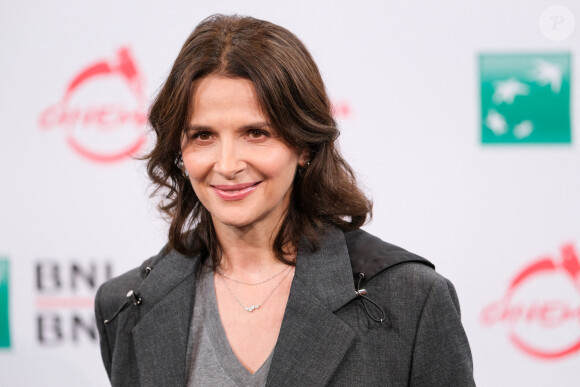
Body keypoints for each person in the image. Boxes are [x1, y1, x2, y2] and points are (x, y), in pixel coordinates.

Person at [95, 14, 475, 387]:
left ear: (305, 146)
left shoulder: (412, 300)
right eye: (203, 136)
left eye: (256, 133)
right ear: (179, 149)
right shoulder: (125, 307)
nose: (227, 165)